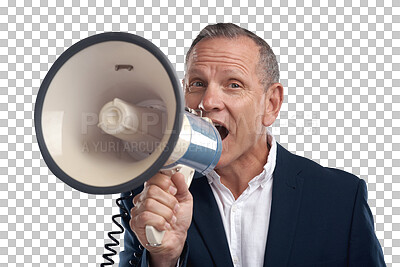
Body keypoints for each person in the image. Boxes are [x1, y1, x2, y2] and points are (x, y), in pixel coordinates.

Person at [119, 23, 386, 267]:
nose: (207, 101)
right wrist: (162, 258)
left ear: (271, 104)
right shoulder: (150, 196)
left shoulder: (340, 198)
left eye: (233, 85)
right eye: (197, 84)